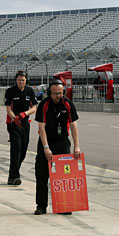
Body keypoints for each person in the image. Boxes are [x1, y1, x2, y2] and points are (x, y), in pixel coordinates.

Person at [34, 79, 81, 215]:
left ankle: (65, 205)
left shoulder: (68, 104)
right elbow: (41, 127)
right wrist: (46, 147)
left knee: (65, 175)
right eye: (55, 94)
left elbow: (73, 125)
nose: (58, 96)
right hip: (46, 142)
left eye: (60, 93)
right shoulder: (44, 105)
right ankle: (41, 205)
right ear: (50, 93)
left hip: (62, 143)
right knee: (42, 175)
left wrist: (76, 146)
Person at [4, 70, 37, 185]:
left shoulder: (30, 91)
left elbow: (34, 108)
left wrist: (25, 114)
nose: (21, 82)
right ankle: (14, 176)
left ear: (26, 80)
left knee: (23, 149)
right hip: (13, 123)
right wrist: (14, 118)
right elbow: (8, 108)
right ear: (16, 80)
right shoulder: (10, 91)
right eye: (19, 80)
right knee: (16, 148)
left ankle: (13, 174)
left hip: (25, 122)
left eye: (23, 80)